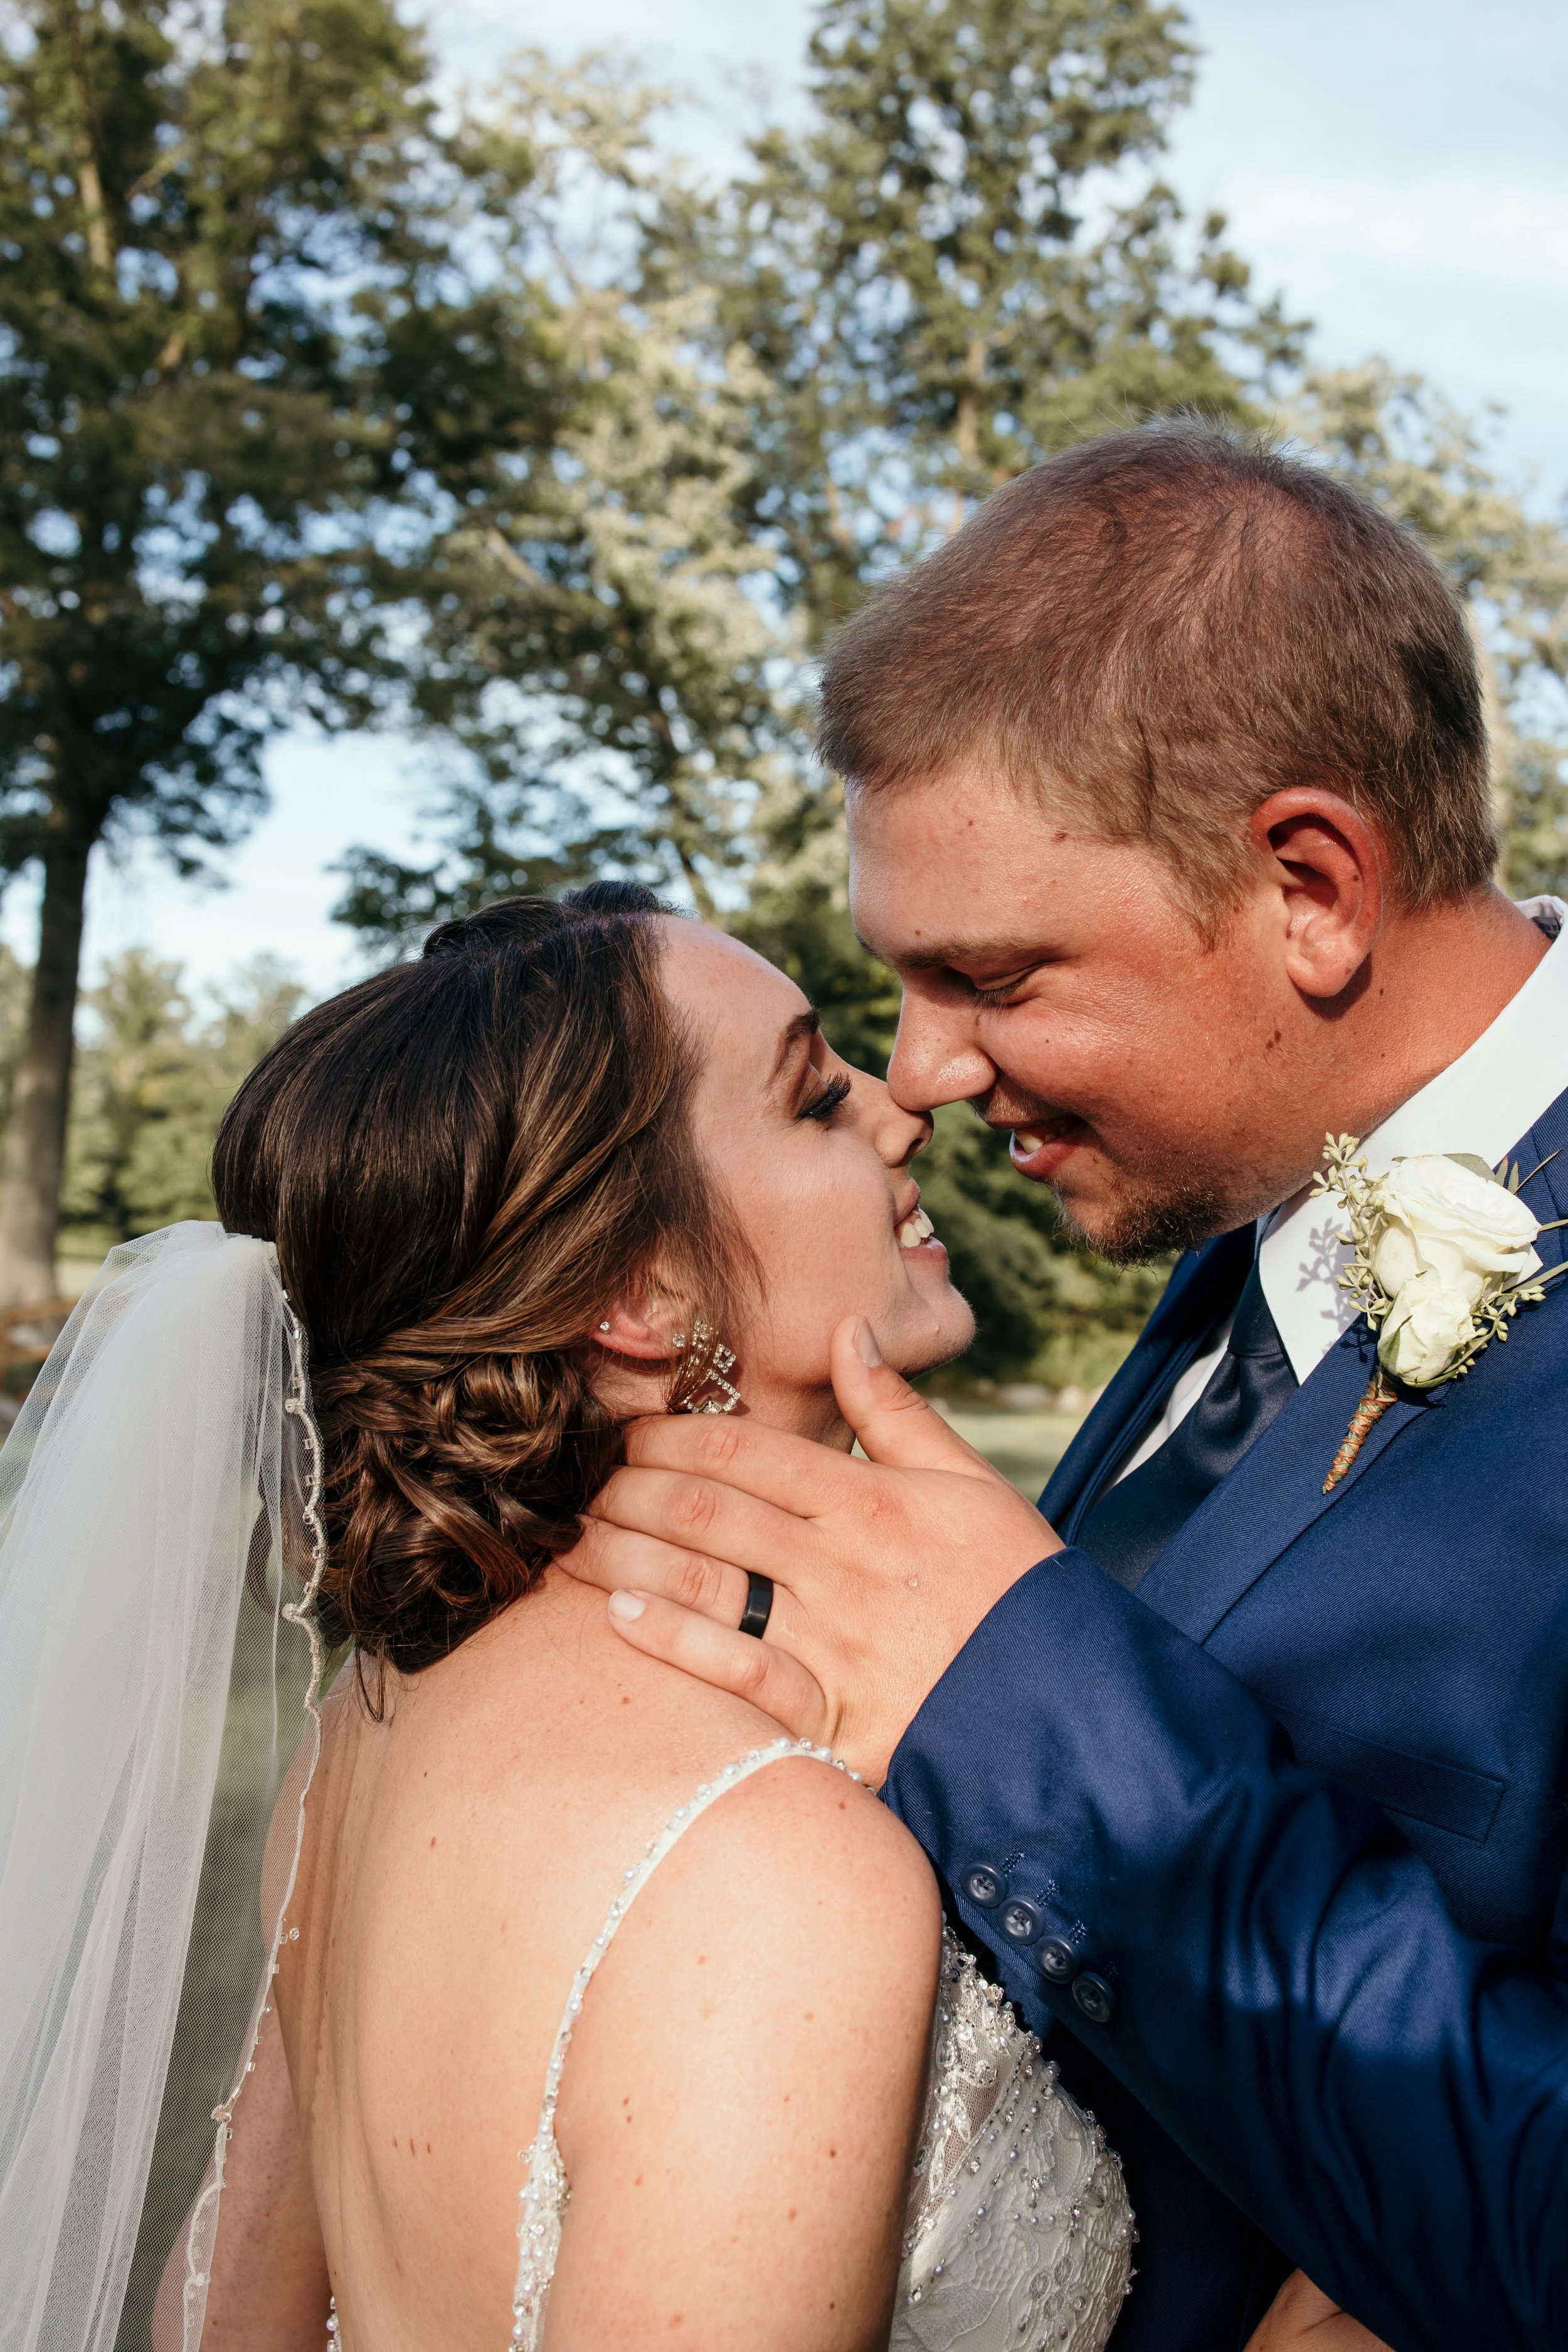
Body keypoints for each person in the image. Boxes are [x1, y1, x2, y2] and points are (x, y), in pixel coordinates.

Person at [564, 425, 1568, 2351]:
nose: (920, 1071)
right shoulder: (1232, 1230)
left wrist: (1021, 1688)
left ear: (1307, 886)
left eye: (992, 976)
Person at [1, 886, 1143, 2352]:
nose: (899, 1107)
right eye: (809, 1097)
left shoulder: (369, 1727)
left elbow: (224, 2315)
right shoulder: (768, 1865)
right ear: (638, 1290)